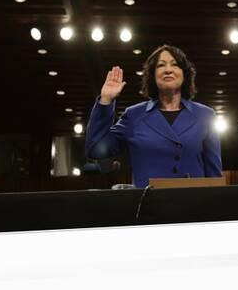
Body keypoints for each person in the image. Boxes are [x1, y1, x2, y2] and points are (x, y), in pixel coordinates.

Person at [85, 44, 222, 188]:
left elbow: (214, 175)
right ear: (153, 76)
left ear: (184, 74)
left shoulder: (205, 115)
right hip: (147, 206)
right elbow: (95, 150)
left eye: (175, 65)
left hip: (192, 206)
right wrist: (105, 100)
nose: (168, 70)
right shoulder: (134, 115)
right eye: (161, 65)